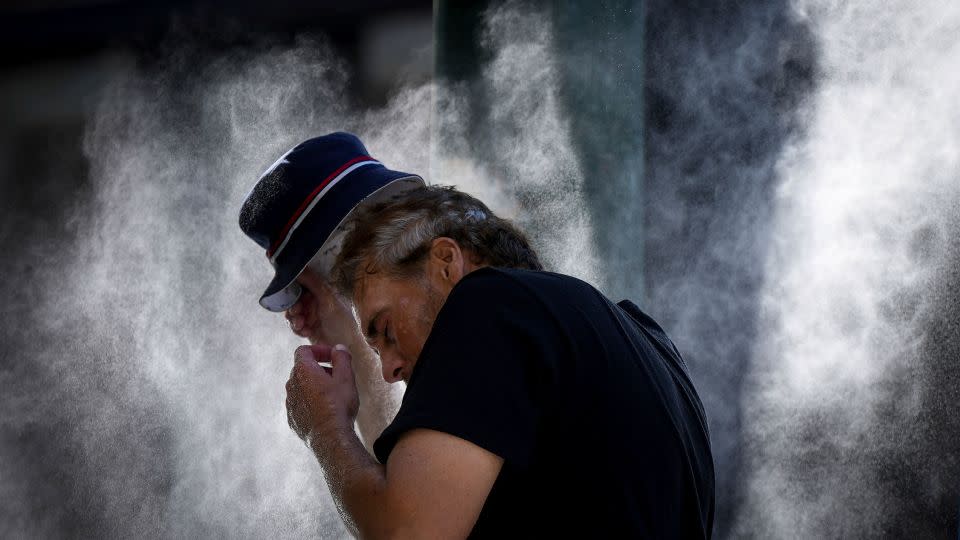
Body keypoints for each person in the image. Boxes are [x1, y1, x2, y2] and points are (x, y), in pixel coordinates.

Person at [239, 133, 715, 538]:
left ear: (446, 262)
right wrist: (348, 336)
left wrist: (325, 430)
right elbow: (424, 482)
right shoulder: (637, 334)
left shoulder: (484, 307)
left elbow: (410, 529)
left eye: (384, 330)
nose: (388, 368)